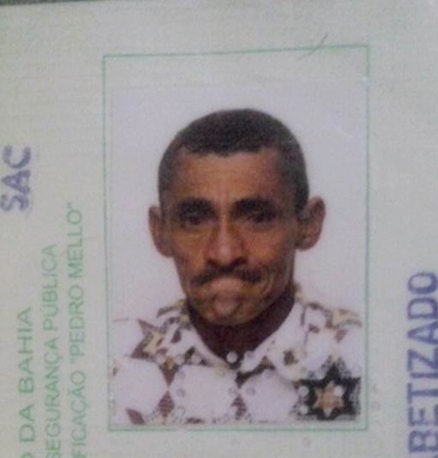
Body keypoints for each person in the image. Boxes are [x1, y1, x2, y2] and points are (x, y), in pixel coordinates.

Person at [112, 108, 362, 425]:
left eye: (257, 218)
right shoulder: (113, 362)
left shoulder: (361, 356)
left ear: (308, 225)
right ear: (160, 232)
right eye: (194, 220)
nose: (225, 253)